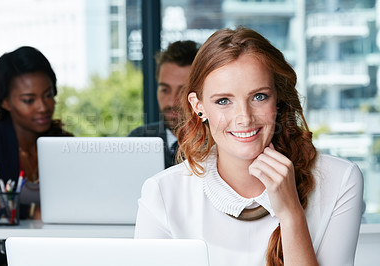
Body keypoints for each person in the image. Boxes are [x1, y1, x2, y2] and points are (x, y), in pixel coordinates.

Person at [134, 27, 363, 266]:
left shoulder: (340, 180)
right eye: (223, 101)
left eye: (259, 97)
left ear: (278, 99)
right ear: (198, 106)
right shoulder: (162, 193)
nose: (244, 118)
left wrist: (291, 214)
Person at [0, 46, 72, 265]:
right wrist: (31, 211)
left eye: (48, 95)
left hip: (51, 257)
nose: (43, 107)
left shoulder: (65, 144)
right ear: (5, 102)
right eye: (29, 100)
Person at [128, 40, 199, 168]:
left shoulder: (218, 145)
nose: (172, 102)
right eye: (165, 90)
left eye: (182, 91)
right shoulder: (138, 140)